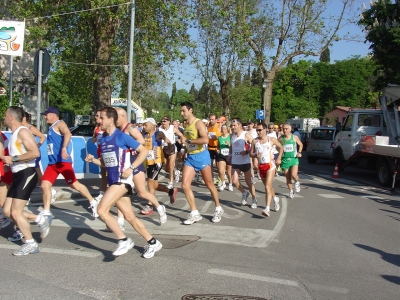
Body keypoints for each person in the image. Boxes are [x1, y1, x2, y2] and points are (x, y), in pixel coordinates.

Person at [85, 107, 162, 258]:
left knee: (101, 210)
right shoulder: (104, 139)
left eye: (100, 118)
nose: (97, 120)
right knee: (130, 217)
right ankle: (153, 242)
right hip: (114, 181)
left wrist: (131, 168)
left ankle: (123, 239)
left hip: (123, 181)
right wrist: (93, 160)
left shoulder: (121, 136)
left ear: (110, 119)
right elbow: (106, 162)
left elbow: (144, 151)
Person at [2, 106, 49, 255]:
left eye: (5, 115)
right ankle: (40, 219)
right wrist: (11, 164)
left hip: (26, 174)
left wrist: (14, 158)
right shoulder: (14, 135)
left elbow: (34, 152)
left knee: (16, 212)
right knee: (7, 211)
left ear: (11, 117)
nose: (3, 118)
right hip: (18, 174)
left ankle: (30, 243)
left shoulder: (23, 131)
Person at [40, 106, 99, 224]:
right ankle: (46, 212)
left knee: (74, 184)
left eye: (46, 114)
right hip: (53, 163)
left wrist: (64, 148)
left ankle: (92, 202)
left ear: (53, 114)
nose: (45, 117)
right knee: (45, 185)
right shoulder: (51, 127)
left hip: (62, 161)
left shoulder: (59, 123)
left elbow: (67, 133)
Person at [115, 108, 167, 224]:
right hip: (124, 164)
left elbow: (141, 141)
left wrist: (129, 147)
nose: (113, 119)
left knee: (142, 192)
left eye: (115, 116)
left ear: (122, 116)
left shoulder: (130, 128)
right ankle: (120, 221)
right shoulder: (118, 130)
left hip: (135, 163)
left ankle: (159, 208)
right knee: (121, 192)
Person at [180, 102, 224, 224]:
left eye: (183, 111)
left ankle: (218, 208)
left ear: (190, 110)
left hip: (202, 156)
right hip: (191, 157)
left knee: (209, 184)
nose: (181, 113)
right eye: (181, 111)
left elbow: (205, 139)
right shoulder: (185, 124)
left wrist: (188, 140)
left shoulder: (198, 123)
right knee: (184, 185)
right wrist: (184, 147)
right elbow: (188, 142)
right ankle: (194, 213)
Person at [22, 112, 58, 205]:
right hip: (24, 154)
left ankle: (51, 190)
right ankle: (25, 196)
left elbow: (42, 137)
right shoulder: (20, 128)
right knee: (24, 173)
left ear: (24, 118)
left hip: (33, 154)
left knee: (38, 175)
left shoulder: (30, 128)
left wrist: (37, 146)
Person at [142, 118, 178, 208]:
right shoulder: (143, 135)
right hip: (148, 162)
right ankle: (170, 191)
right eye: (143, 125)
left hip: (157, 162)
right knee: (155, 185)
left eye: (145, 125)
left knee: (150, 182)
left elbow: (169, 141)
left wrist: (169, 150)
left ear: (152, 125)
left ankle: (149, 205)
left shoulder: (158, 133)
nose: (144, 127)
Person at [250, 123, 283, 216]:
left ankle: (267, 208)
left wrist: (279, 158)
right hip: (261, 166)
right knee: (269, 187)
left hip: (270, 165)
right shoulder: (254, 141)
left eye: (260, 130)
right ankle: (275, 199)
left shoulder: (271, 140)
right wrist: (255, 156)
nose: (258, 132)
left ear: (265, 130)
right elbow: (250, 154)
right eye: (257, 130)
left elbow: (281, 147)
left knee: (267, 187)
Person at [228, 118, 257, 207]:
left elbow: (255, 144)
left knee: (248, 182)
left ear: (240, 125)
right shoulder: (232, 135)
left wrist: (247, 152)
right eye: (231, 126)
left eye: (234, 125)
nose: (232, 127)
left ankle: (254, 199)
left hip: (245, 162)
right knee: (234, 181)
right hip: (235, 161)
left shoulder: (246, 135)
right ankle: (244, 193)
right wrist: (229, 155)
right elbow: (231, 146)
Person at [279, 123, 303, 199]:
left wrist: (299, 152)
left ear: (290, 129)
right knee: (288, 177)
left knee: (293, 175)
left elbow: (301, 144)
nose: (285, 130)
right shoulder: (280, 139)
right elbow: (277, 147)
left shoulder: (294, 137)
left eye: (286, 129)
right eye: (283, 129)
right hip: (285, 160)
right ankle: (291, 191)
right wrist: (280, 153)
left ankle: (297, 182)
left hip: (293, 159)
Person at [159, 116, 184, 189]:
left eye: (164, 121)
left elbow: (181, 135)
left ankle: (171, 182)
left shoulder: (173, 128)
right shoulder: (160, 129)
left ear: (169, 121)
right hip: (164, 148)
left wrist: (181, 140)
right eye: (162, 121)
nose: (163, 122)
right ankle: (176, 172)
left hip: (172, 148)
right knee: (166, 167)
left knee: (171, 166)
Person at [91, 111, 107, 202]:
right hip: (99, 151)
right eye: (95, 115)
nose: (95, 117)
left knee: (112, 173)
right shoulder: (96, 128)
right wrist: (94, 139)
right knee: (103, 174)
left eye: (97, 115)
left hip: (107, 151)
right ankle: (103, 192)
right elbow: (94, 138)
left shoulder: (107, 127)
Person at [216, 124, 233, 191]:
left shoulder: (230, 137)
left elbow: (233, 146)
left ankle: (230, 184)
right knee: (221, 170)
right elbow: (218, 146)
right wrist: (217, 150)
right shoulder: (219, 137)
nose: (223, 130)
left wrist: (229, 144)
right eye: (222, 129)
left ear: (227, 129)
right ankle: (223, 183)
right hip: (221, 155)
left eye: (225, 129)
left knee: (229, 172)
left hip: (229, 155)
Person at [207, 114, 221, 185]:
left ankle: (220, 178)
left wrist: (216, 137)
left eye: (212, 119)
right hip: (210, 147)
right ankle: (212, 178)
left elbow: (222, 137)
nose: (211, 121)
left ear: (216, 120)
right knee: (210, 165)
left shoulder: (218, 126)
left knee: (218, 165)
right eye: (210, 119)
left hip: (217, 148)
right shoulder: (209, 127)